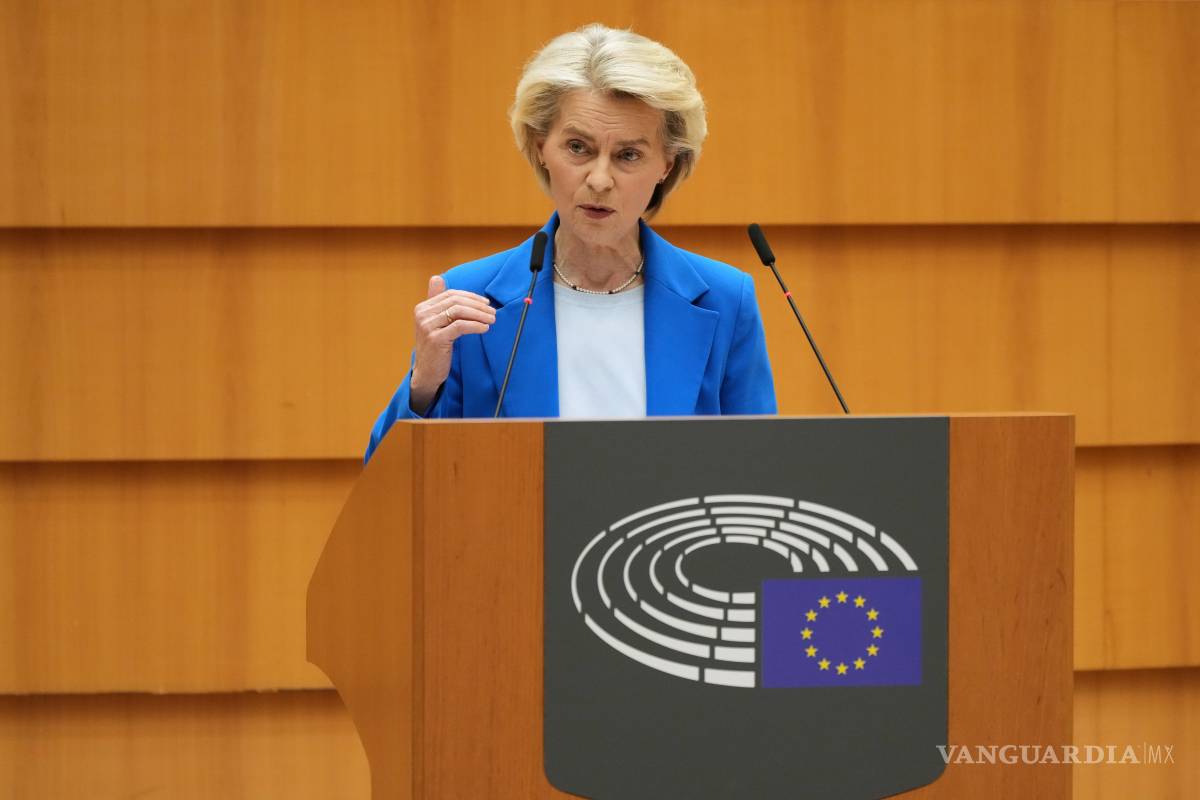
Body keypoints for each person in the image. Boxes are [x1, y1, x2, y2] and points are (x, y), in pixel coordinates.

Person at [365, 23, 776, 463]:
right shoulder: (470, 296)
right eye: (578, 148)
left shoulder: (724, 299)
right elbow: (391, 484)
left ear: (666, 166)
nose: (599, 180)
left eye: (628, 155)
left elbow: (759, 471)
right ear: (542, 147)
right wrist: (424, 383)